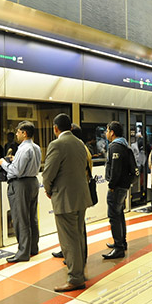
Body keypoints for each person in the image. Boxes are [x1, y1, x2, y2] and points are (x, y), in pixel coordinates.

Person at [42, 114, 93, 291]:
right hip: (81, 197)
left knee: (68, 240)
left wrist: (48, 190)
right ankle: (80, 271)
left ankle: (75, 278)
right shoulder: (80, 143)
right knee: (78, 236)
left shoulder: (56, 144)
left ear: (55, 128)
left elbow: (48, 174)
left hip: (65, 198)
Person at [0, 121, 42, 262]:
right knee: (32, 217)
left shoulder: (23, 149)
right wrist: (14, 160)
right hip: (33, 182)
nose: (16, 134)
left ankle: (23, 252)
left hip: (21, 185)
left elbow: (16, 171)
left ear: (24, 133)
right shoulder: (36, 147)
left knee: (20, 218)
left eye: (18, 131)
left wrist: (3, 163)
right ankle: (33, 248)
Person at [103, 121, 134, 259]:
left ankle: (118, 247)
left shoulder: (115, 146)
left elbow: (115, 169)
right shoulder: (124, 145)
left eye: (107, 130)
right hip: (124, 186)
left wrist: (111, 186)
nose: (106, 133)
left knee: (114, 216)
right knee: (119, 213)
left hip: (117, 187)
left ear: (112, 132)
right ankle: (122, 241)